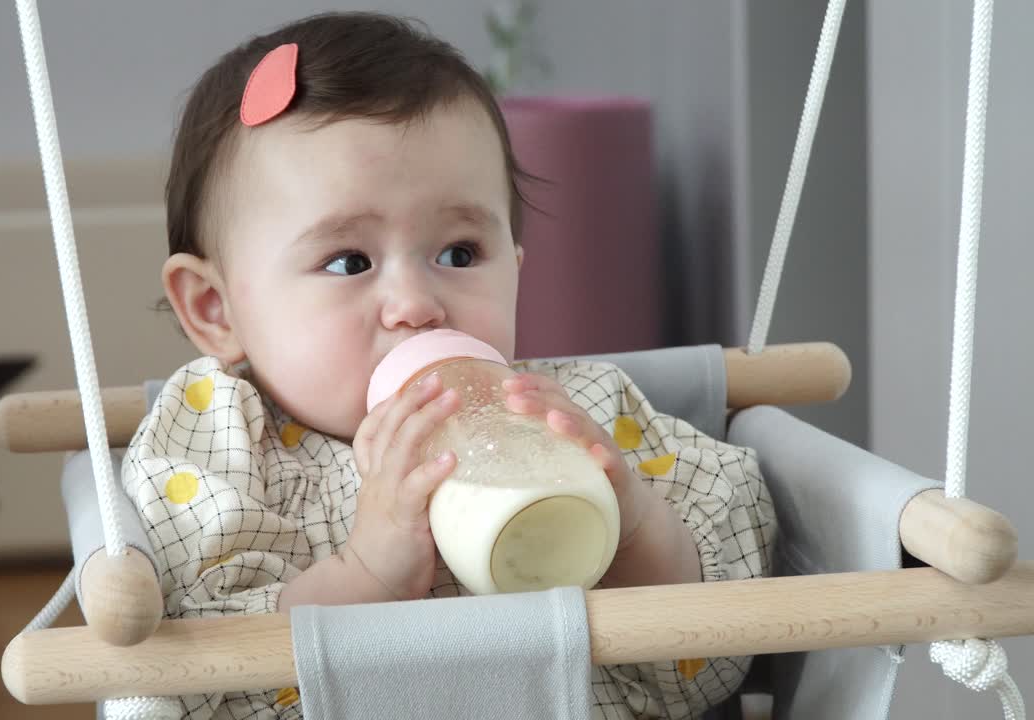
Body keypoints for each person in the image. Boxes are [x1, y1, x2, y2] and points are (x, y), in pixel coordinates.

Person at [121, 10, 776, 718]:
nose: (416, 304)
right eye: (349, 262)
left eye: (459, 253)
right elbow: (187, 685)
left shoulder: (581, 409)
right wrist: (363, 575)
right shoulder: (220, 444)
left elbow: (712, 666)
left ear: (517, 270)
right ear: (216, 310)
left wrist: (635, 531)